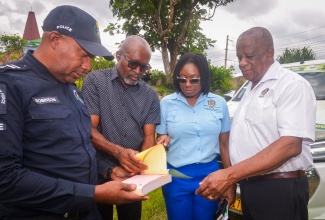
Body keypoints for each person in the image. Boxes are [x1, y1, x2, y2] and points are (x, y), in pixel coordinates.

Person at [0, 5, 148, 219]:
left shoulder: (71, 89)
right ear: (55, 40)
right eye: (83, 55)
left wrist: (109, 172)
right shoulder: (9, 85)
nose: (88, 66)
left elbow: (78, 150)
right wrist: (93, 194)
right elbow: (5, 178)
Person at [196, 27, 316, 220]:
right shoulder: (251, 88)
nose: (242, 63)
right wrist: (234, 179)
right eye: (239, 57)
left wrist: (229, 175)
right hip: (251, 187)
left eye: (249, 56)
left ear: (269, 53)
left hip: (278, 191)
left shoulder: (291, 85)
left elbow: (290, 145)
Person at [82, 35, 168, 220]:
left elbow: (148, 139)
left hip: (132, 173)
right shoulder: (96, 82)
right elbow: (89, 130)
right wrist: (119, 153)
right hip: (98, 169)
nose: (137, 71)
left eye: (143, 67)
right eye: (133, 63)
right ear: (118, 55)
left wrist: (143, 170)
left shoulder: (150, 96)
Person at [155, 52, 231, 220]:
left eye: (194, 80)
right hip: (177, 177)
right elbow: (161, 140)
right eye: (182, 79)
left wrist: (228, 180)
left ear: (203, 77)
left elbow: (224, 146)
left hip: (209, 175)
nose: (187, 85)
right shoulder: (166, 103)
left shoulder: (219, 104)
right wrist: (162, 142)